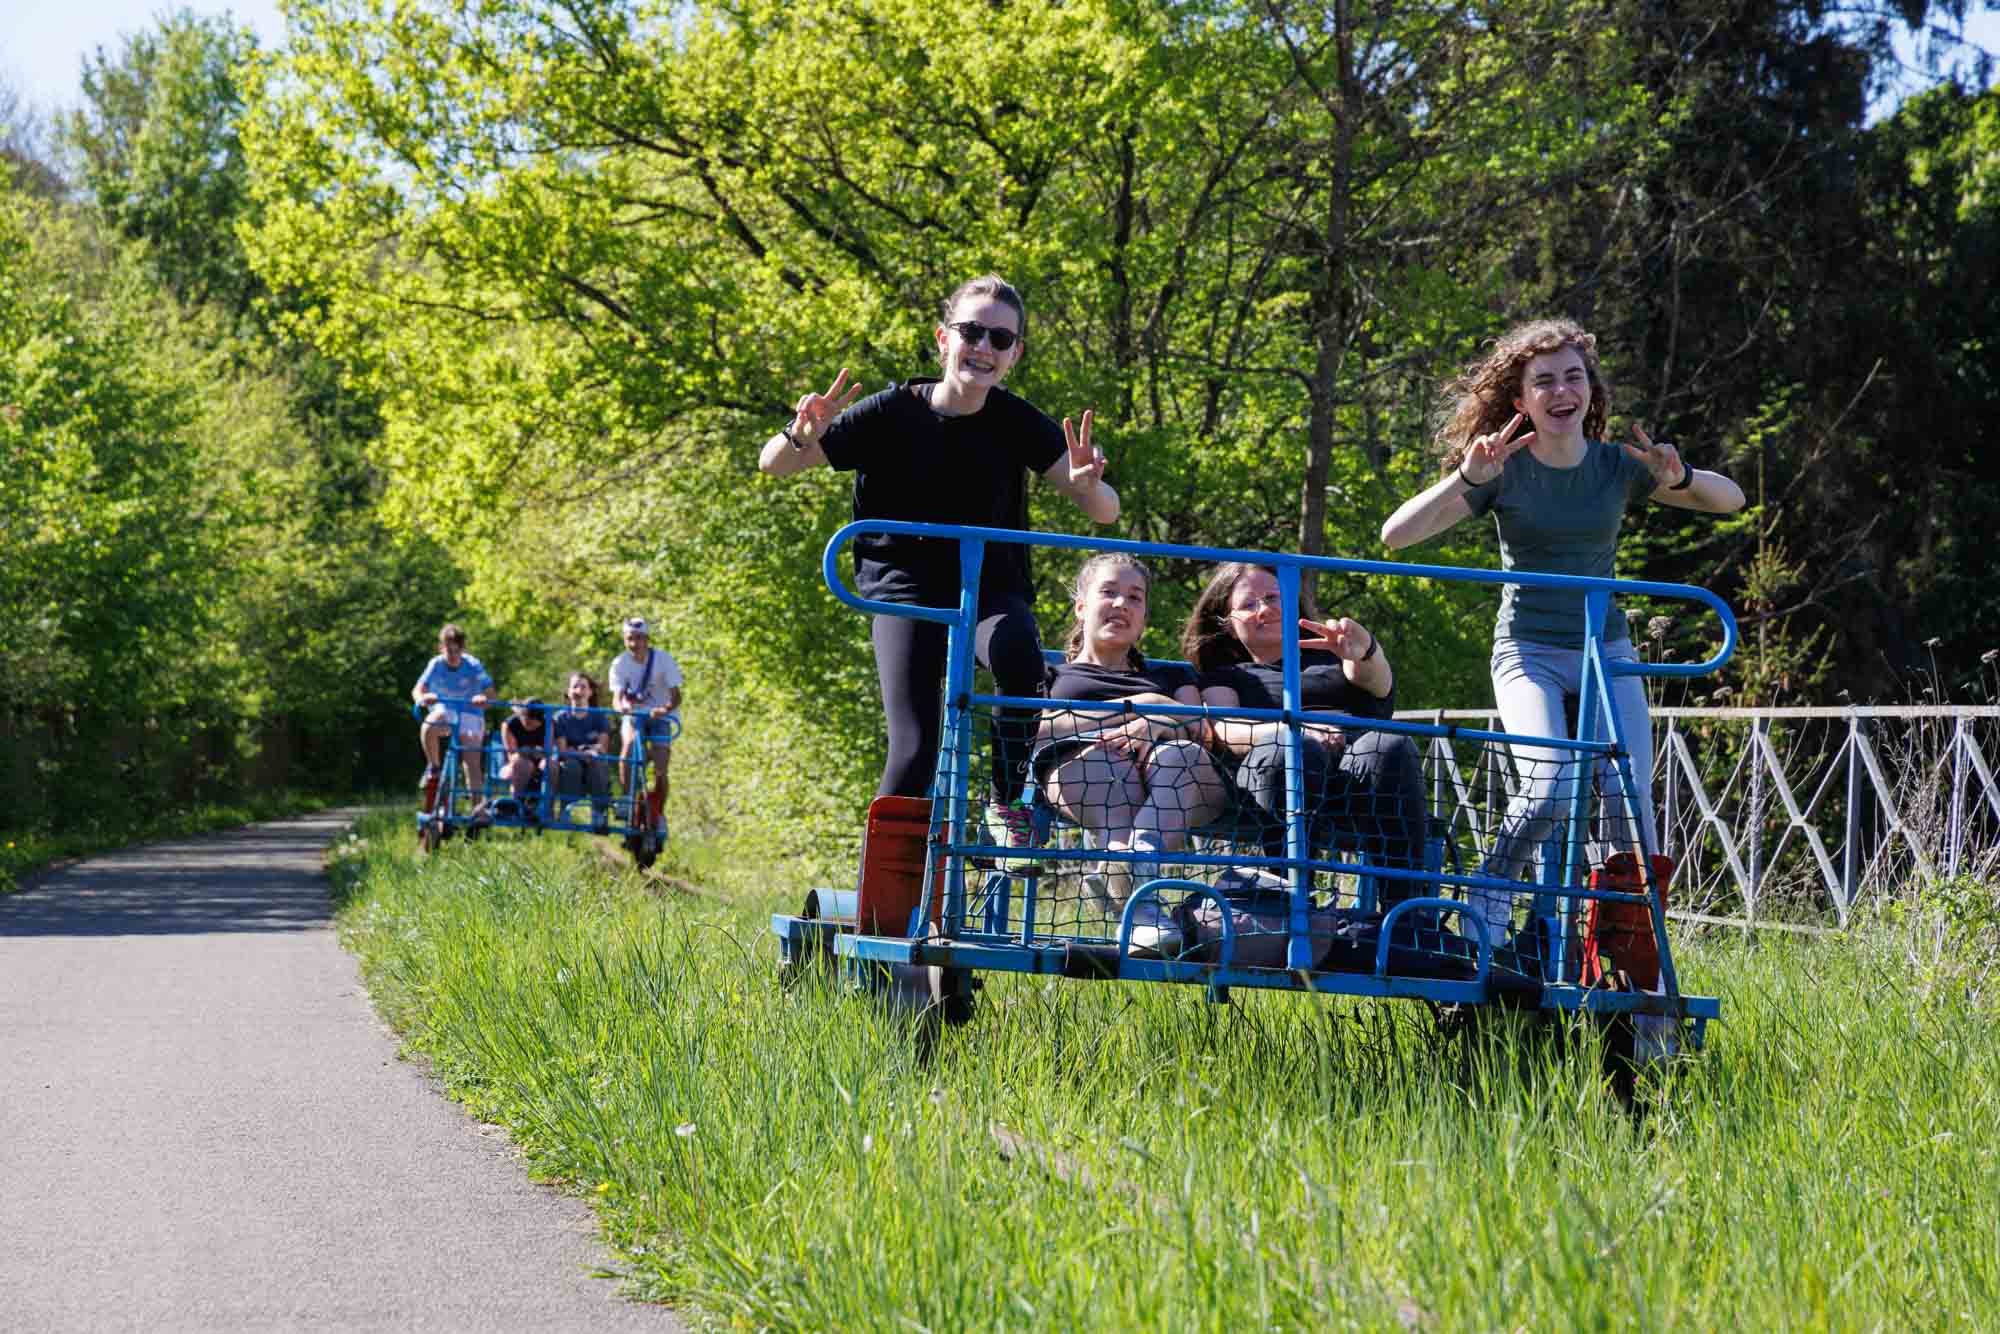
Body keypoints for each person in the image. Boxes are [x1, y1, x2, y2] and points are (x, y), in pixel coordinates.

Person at [1378, 317, 1745, 942]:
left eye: (1573, 377)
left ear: (1590, 393)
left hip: (1608, 651)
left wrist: (1678, 477)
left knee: (1629, 804)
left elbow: (1730, 499)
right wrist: (1468, 478)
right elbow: (1396, 535)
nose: (1560, 391)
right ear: (1521, 401)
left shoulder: (1617, 466)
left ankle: (1619, 940)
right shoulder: (1505, 471)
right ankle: (1490, 893)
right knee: (1548, 789)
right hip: (1529, 651)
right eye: (1543, 381)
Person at [757, 274, 1120, 847]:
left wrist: (1084, 484)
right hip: (906, 591)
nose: (984, 348)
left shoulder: (1016, 421)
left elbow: (1104, 511)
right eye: (972, 332)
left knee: (1019, 655)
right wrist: (802, 434)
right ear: (944, 339)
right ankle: (885, 894)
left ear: (1014, 355)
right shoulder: (890, 412)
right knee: (916, 743)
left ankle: (1006, 799)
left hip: (988, 588)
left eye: (1000, 340)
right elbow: (774, 463)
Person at [1182, 563, 1430, 906]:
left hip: (1355, 773)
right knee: (1295, 752)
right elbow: (1223, 729)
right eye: (1248, 604)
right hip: (1276, 775)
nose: (1264, 609)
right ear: (1227, 622)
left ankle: (1408, 918)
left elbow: (1379, 686)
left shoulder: (1331, 656)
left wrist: (1365, 651)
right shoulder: (1226, 674)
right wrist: (1296, 730)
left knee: (1391, 745)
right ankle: (1291, 909)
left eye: (1272, 597)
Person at [1037, 553, 1229, 951]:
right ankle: (1143, 909)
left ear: (1144, 617)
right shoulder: (1053, 676)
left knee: (1181, 753)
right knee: (1107, 766)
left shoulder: (1171, 676)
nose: (1121, 604)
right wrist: (1131, 708)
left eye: (1134, 597)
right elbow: (1034, 728)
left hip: (1178, 783)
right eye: (1109, 592)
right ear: (1081, 606)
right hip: (1087, 775)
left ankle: (1130, 867)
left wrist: (1155, 718)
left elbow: (1199, 728)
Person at [608, 616, 682, 834]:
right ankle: (628, 801)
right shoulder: (619, 663)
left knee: (661, 767)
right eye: (630, 638)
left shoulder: (663, 660)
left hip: (661, 716)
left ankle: (659, 812)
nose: (634, 644)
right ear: (624, 640)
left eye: (639, 638)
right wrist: (622, 707)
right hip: (634, 716)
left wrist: (664, 709)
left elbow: (677, 696)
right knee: (628, 753)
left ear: (647, 639)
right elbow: (616, 697)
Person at [411, 622, 493, 807]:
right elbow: (418, 690)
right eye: (449, 651)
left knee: (471, 758)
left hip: (470, 713)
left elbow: (490, 692)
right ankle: (434, 767)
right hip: (445, 712)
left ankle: (477, 809)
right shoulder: (435, 664)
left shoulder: (473, 665)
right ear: (442, 648)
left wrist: (483, 698)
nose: (453, 656)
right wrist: (423, 698)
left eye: (457, 651)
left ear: (463, 649)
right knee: (429, 725)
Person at [550, 671, 614, 833]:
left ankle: (599, 814)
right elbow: (563, 750)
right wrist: (582, 753)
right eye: (575, 686)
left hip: (593, 759)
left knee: (598, 762)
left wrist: (588, 752)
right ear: (569, 692)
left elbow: (602, 747)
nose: (578, 690)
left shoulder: (599, 717)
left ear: (590, 692)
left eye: (583, 687)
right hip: (573, 760)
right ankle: (566, 810)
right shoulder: (560, 718)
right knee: (571, 765)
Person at [499, 699, 551, 819]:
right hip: (514, 765)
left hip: (538, 765)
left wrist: (537, 755)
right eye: (526, 719)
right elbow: (512, 755)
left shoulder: (548, 724)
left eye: (533, 721)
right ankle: (515, 806)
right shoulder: (510, 724)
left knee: (548, 766)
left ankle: (544, 810)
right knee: (522, 765)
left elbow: (547, 753)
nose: (529, 723)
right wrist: (530, 752)